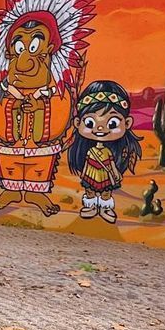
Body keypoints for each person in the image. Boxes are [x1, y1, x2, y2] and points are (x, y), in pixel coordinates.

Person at [67, 80, 142, 224]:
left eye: (112, 123)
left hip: (105, 175)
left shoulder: (109, 152)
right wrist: (83, 175)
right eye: (91, 122)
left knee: (106, 192)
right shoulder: (90, 151)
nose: (100, 128)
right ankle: (91, 207)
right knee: (90, 190)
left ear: (127, 124)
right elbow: (87, 164)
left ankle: (105, 208)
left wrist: (116, 173)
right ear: (77, 123)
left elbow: (111, 164)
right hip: (91, 174)